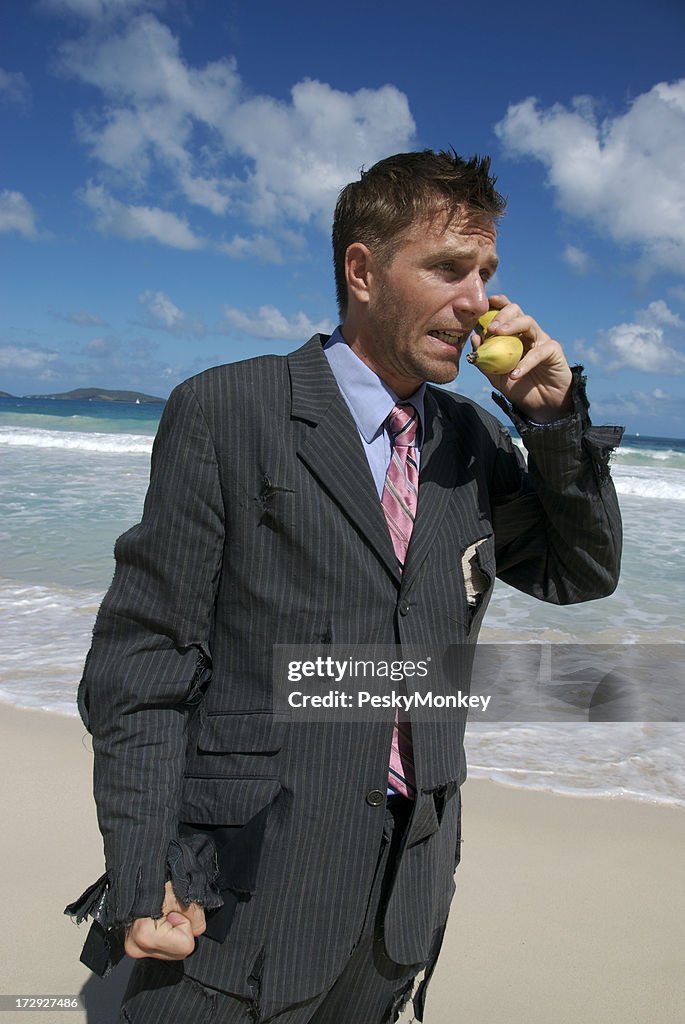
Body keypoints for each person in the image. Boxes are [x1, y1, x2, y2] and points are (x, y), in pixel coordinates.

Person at [66, 149, 623, 1023]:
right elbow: (144, 661)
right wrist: (145, 870)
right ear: (362, 271)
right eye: (447, 268)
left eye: (485, 274)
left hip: (401, 902)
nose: (477, 301)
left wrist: (551, 423)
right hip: (236, 900)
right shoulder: (229, 409)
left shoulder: (473, 439)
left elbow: (577, 572)